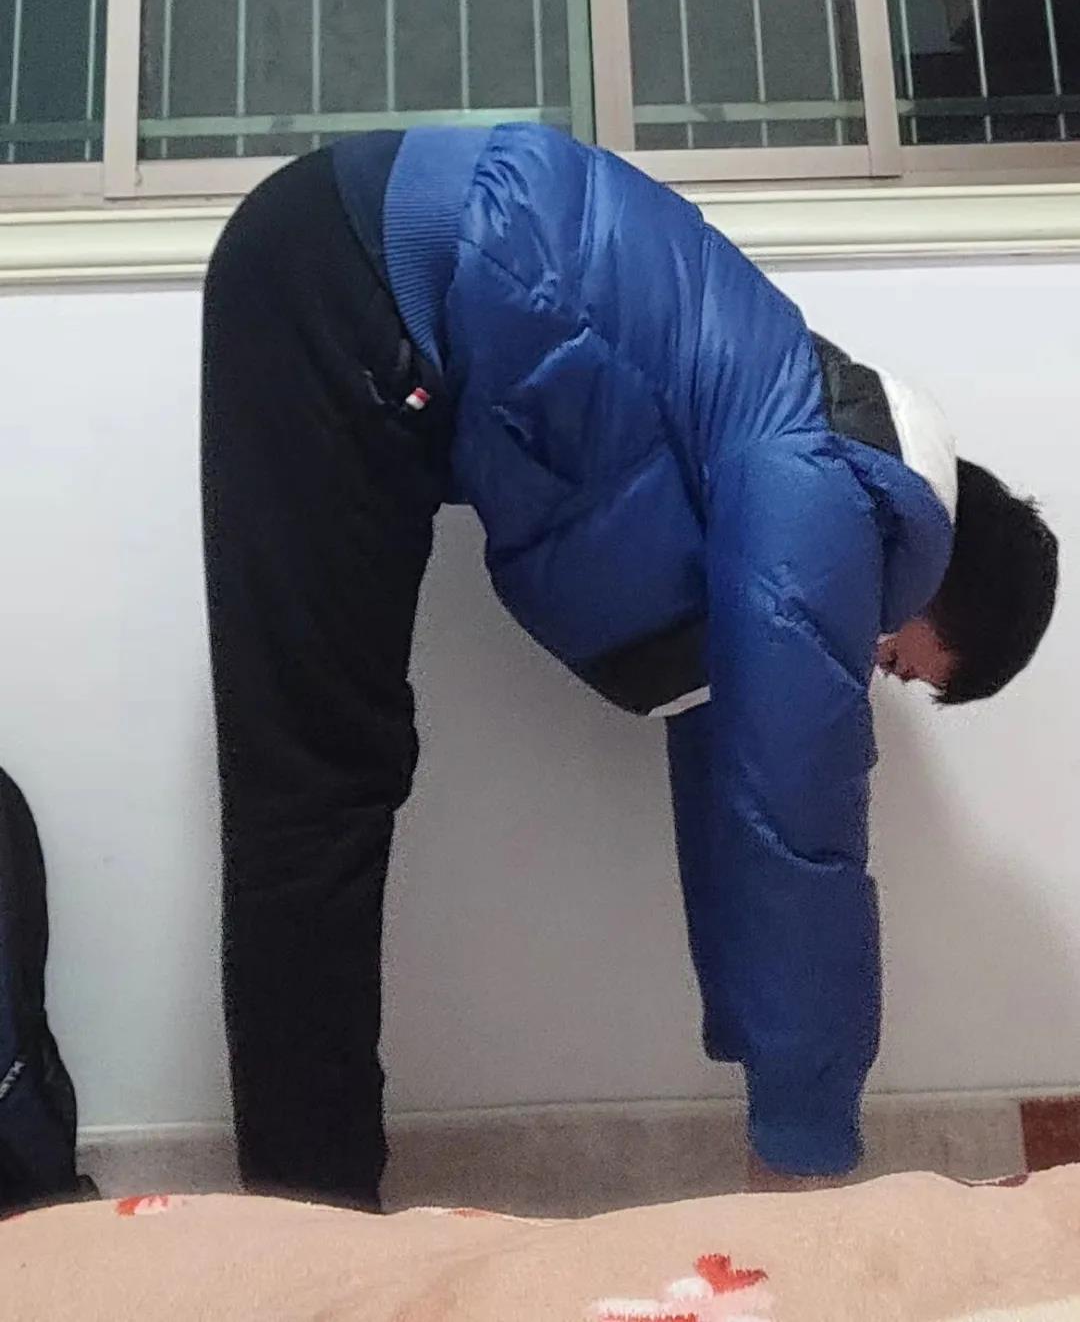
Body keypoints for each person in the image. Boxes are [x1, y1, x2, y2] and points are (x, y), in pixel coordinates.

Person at [201, 125, 1058, 1208]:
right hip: (346, 272)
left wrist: (760, 1059)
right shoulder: (823, 490)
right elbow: (799, 831)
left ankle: (313, 1203)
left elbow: (733, 779)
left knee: (329, 779)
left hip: (362, 279)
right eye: (904, 666)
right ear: (939, 587)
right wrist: (805, 1152)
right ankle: (304, 1232)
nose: (876, 664)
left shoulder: (794, 433)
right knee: (315, 783)